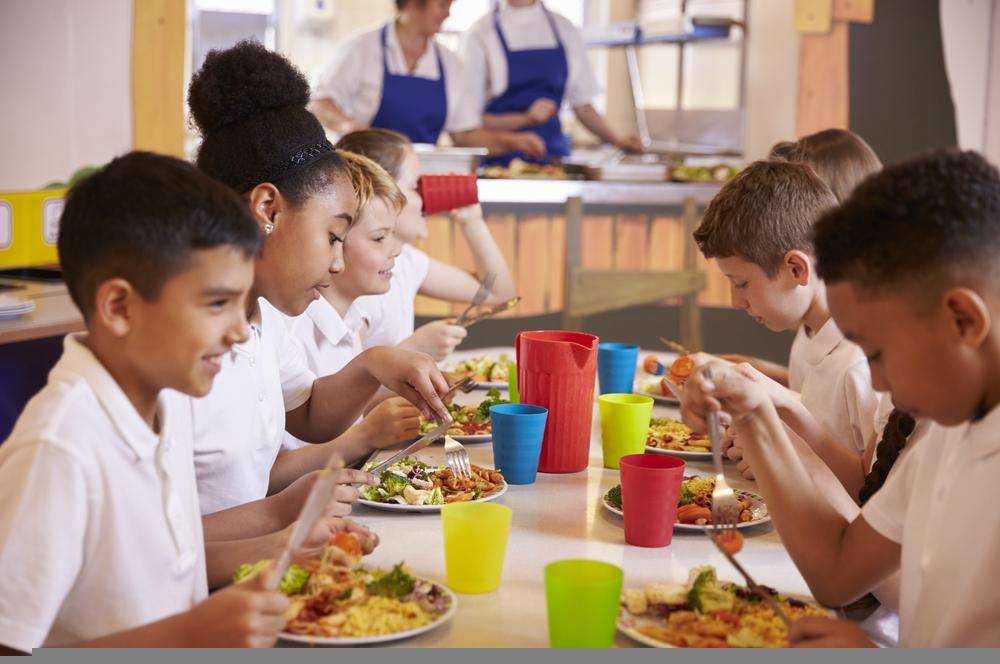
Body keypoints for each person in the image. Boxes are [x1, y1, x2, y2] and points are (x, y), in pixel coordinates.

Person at [0, 152, 376, 652]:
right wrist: (189, 635)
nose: (241, 330)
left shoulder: (163, 404)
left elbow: (161, 561)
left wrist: (277, 537)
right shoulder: (61, 446)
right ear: (119, 307)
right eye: (217, 304)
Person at [681, 150, 1000, 647]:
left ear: (963, 320)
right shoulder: (947, 434)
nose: (875, 382)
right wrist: (756, 411)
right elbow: (837, 571)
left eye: (877, 352)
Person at [186, 41, 452, 527]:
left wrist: (373, 363)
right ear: (268, 210)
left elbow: (306, 414)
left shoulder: (263, 316)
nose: (336, 263)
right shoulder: (182, 352)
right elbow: (159, 544)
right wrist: (277, 520)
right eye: (333, 236)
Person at [282, 150, 423, 454]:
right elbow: (271, 472)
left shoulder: (352, 318)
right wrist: (366, 435)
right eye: (379, 238)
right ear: (335, 239)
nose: (396, 250)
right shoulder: (292, 329)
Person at [337, 128, 517, 360]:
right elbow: (342, 386)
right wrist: (414, 350)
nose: (427, 197)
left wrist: (473, 223)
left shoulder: (404, 260)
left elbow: (498, 293)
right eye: (415, 186)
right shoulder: (357, 281)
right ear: (383, 190)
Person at [722, 128, 884, 386]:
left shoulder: (861, 349)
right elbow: (818, 393)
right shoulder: (813, 319)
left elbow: (841, 404)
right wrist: (760, 373)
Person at [310, 0, 544, 159]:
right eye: (442, 4)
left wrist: (512, 142)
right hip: (364, 177)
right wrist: (348, 125)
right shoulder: (362, 49)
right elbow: (320, 103)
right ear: (413, 4)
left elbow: (464, 134)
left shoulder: (449, 63)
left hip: (420, 181)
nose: (448, 13)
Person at [462, 0, 643, 165]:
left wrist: (617, 140)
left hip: (553, 161)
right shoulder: (481, 33)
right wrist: (525, 119)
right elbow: (468, 123)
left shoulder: (565, 29)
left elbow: (583, 106)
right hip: (497, 164)